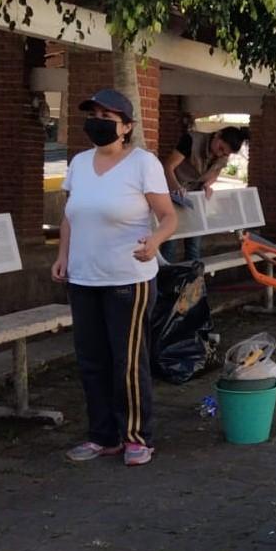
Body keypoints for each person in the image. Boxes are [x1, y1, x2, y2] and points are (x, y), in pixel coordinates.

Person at [52, 88, 178, 467]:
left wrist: (154, 241)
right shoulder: (78, 163)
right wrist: (62, 257)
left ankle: (136, 436)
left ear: (126, 127)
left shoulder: (143, 163)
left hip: (128, 278)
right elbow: (70, 216)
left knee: (127, 359)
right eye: (93, 116)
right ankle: (101, 436)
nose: (98, 124)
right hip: (83, 278)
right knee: (91, 358)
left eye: (108, 119)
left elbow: (169, 216)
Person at [159, 125, 247, 262]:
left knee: (194, 243)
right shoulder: (191, 140)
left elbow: (216, 172)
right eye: (221, 148)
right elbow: (168, 166)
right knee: (170, 241)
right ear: (217, 134)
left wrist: (208, 184)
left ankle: (193, 280)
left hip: (196, 199)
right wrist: (176, 188)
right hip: (174, 194)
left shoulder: (223, 156)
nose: (220, 154)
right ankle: (165, 280)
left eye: (225, 154)